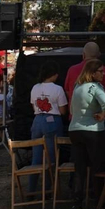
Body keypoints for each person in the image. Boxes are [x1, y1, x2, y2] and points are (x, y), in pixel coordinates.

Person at [67, 58, 105, 209]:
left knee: (79, 167)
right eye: (100, 71)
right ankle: (99, 203)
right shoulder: (95, 87)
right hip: (93, 129)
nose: (103, 73)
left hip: (75, 129)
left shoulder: (77, 86)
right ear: (92, 73)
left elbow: (71, 110)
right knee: (97, 166)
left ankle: (77, 204)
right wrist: (102, 113)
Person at [27, 64, 67, 192]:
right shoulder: (58, 89)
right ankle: (48, 189)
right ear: (54, 75)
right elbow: (62, 110)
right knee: (51, 157)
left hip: (37, 120)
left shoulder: (35, 88)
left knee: (36, 157)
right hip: (52, 120)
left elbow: (33, 106)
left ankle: (31, 189)